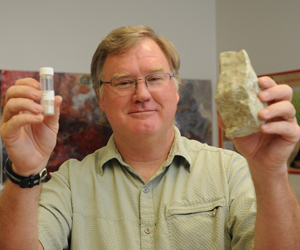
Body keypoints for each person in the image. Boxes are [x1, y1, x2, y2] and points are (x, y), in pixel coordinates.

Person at [0, 25, 300, 250]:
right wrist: (24, 170)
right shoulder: (69, 183)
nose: (142, 94)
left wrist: (271, 172)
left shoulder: (231, 172)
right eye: (124, 82)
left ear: (176, 90)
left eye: (155, 79)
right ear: (101, 98)